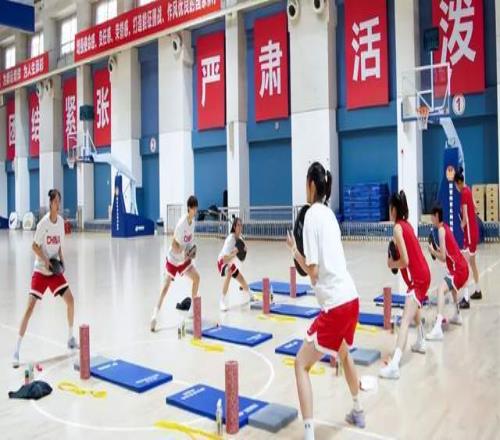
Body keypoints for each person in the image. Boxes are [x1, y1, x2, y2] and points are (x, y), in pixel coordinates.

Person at [286, 162, 365, 439]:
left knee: (300, 364)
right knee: (343, 352)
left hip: (335, 305)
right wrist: (298, 252)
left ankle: (309, 434)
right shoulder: (330, 214)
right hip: (352, 298)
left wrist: (295, 253)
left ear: (311, 184)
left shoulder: (311, 215)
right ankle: (358, 410)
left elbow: (314, 272)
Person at [13, 189, 78, 368]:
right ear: (50, 203)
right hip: (41, 270)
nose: (58, 204)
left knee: (70, 301)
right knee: (29, 308)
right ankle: (16, 350)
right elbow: (34, 246)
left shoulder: (61, 222)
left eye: (59, 201)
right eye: (55, 201)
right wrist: (46, 260)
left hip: (54, 270)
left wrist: (62, 261)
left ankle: (70, 339)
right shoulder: (43, 224)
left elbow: (59, 246)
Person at [379, 190, 430, 380]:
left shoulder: (397, 229)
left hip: (419, 279)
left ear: (393, 209)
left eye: (389, 208)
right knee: (414, 308)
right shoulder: (406, 225)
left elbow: (405, 261)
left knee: (405, 320)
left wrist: (391, 264)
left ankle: (394, 365)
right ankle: (421, 341)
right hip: (422, 275)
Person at [150, 196, 200, 332]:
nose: (195, 211)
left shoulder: (193, 222)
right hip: (173, 259)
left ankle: (192, 310)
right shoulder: (181, 224)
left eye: (196, 208)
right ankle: (154, 316)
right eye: (194, 208)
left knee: (196, 278)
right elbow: (174, 244)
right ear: (189, 208)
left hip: (183, 260)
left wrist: (191, 252)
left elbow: (189, 241)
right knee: (165, 287)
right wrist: (184, 252)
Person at [426, 204, 469, 341]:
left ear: (436, 216)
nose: (431, 219)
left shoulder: (440, 231)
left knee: (440, 290)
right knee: (453, 288)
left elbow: (443, 257)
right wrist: (437, 249)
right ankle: (458, 315)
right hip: (462, 267)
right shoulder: (445, 228)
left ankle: (438, 328)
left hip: (459, 270)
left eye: (432, 216)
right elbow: (447, 252)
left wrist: (433, 251)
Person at [454, 169, 481, 308]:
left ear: (459, 183)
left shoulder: (464, 193)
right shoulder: (468, 189)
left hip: (469, 233)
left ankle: (466, 298)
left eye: (455, 185)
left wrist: (462, 224)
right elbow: (475, 207)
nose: (456, 187)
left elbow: (464, 217)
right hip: (474, 231)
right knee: (473, 263)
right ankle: (478, 290)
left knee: (464, 265)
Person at [217, 217, 254, 311]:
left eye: (241, 225)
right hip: (221, 262)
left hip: (229, 262)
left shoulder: (240, 239)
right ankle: (222, 301)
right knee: (230, 272)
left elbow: (242, 258)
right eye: (238, 225)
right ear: (234, 227)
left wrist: (244, 251)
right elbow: (225, 259)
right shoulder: (230, 239)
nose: (240, 227)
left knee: (240, 278)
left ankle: (251, 295)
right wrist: (235, 252)